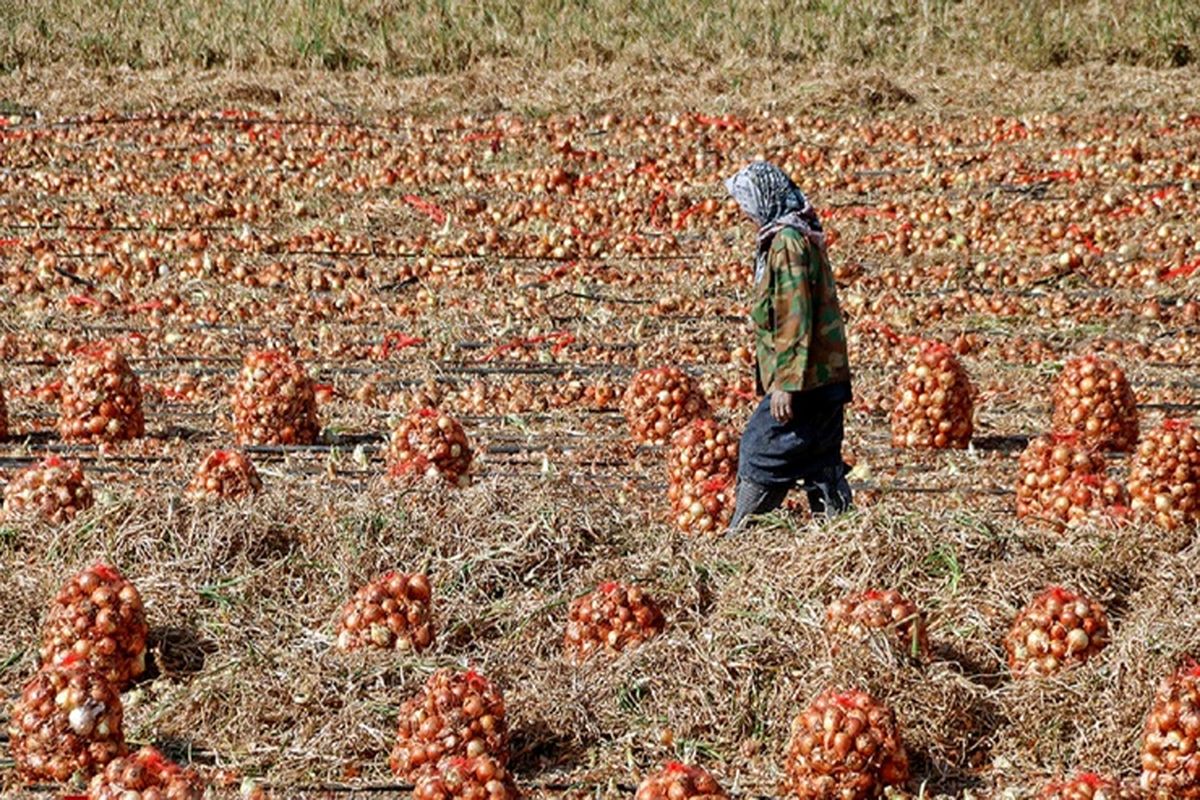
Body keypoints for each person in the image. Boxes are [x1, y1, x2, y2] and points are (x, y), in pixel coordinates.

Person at [724, 161, 854, 532]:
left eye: (746, 204)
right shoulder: (797, 234)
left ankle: (741, 536)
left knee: (759, 449)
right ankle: (839, 533)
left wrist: (785, 383)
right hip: (824, 378)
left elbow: (795, 316)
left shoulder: (787, 243)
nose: (745, 213)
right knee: (819, 457)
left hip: (808, 379)